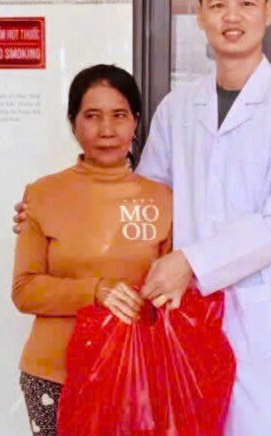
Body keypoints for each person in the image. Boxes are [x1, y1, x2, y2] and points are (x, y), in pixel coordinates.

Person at [14, 0, 271, 435]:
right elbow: (141, 202)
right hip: (182, 320)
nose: (231, 17)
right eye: (217, 4)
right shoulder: (178, 108)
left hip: (263, 316)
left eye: (246, 3)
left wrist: (192, 262)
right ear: (199, 14)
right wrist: (47, 212)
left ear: (268, 12)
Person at [11, 64, 173, 435]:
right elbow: (24, 290)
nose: (106, 130)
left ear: (135, 122)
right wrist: (95, 291)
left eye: (119, 115)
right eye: (92, 116)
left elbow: (171, 297)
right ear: (73, 124)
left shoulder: (163, 200)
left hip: (136, 376)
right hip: (54, 376)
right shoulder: (42, 194)